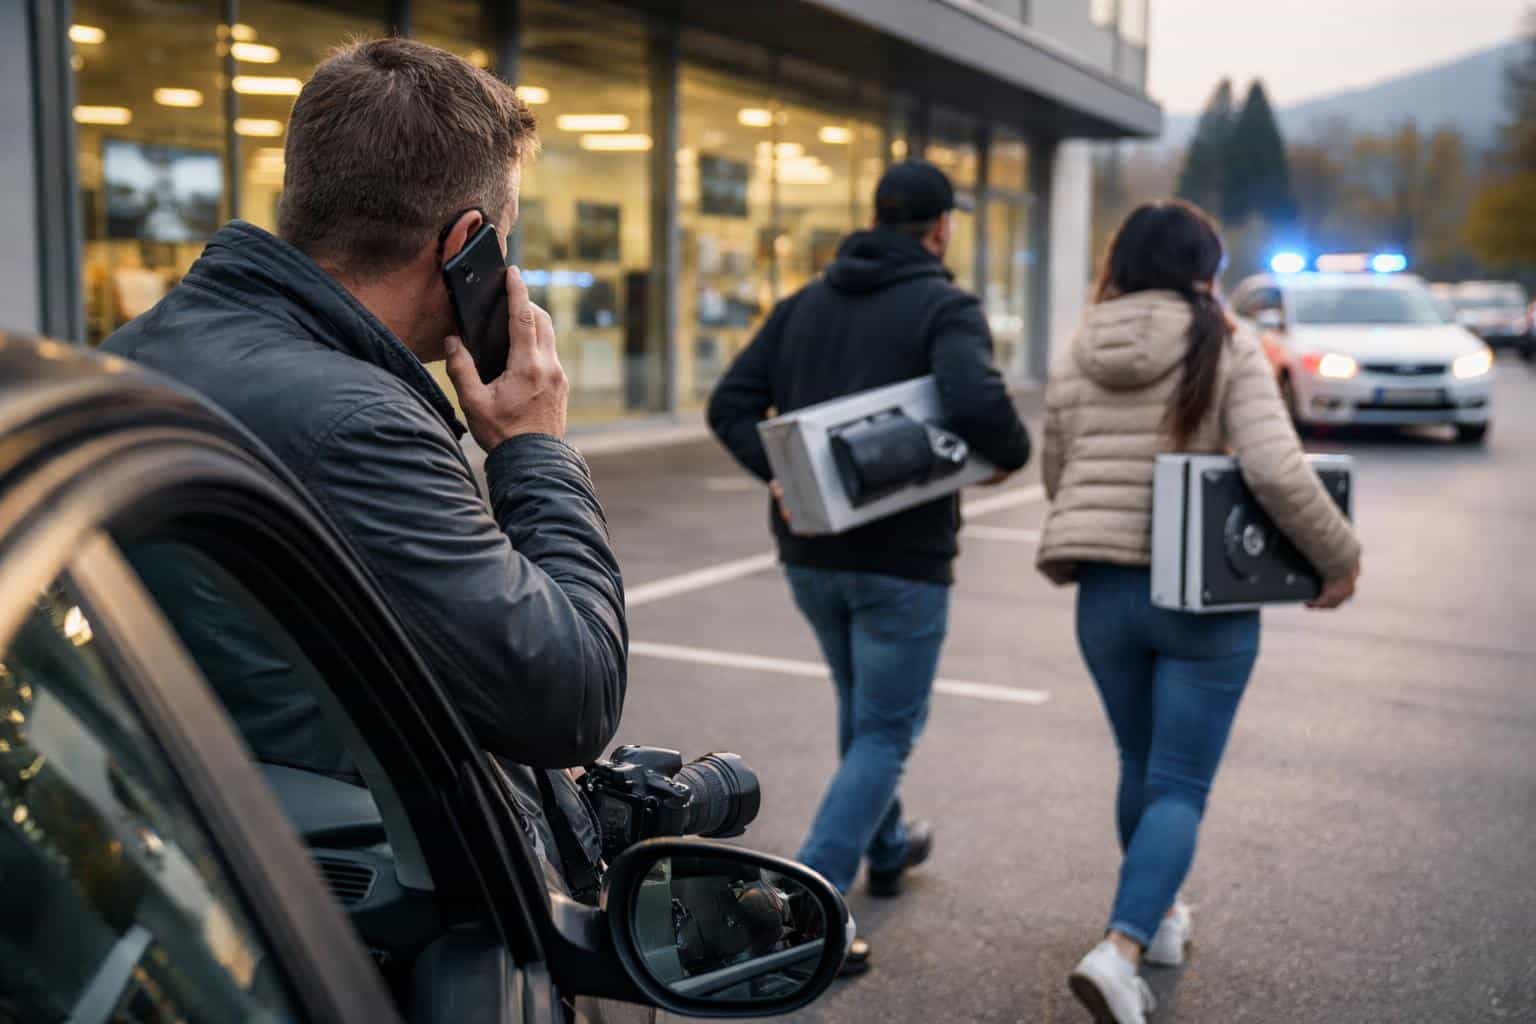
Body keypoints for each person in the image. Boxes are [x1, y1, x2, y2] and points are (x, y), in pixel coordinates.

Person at [102, 38, 625, 891]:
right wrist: (536, 450)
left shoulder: (138, 347)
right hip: (337, 894)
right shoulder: (357, 422)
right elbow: (569, 696)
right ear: (466, 243)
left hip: (187, 841)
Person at [1036, 201, 1362, 1024]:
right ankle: (1121, 951)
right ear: (1204, 271)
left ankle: (1162, 921)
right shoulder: (1224, 342)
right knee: (1179, 783)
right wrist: (1341, 559)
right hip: (1200, 596)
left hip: (1102, 593)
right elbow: (1280, 474)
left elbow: (1056, 467)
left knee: (1137, 763)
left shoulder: (1082, 342)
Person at [707, 159, 1032, 975]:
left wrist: (780, 476)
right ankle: (809, 905)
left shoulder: (803, 305)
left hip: (810, 555)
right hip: (904, 562)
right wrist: (1009, 454)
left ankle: (886, 847)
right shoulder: (946, 306)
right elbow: (978, 401)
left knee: (865, 712)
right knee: (885, 729)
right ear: (939, 227)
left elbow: (728, 405)